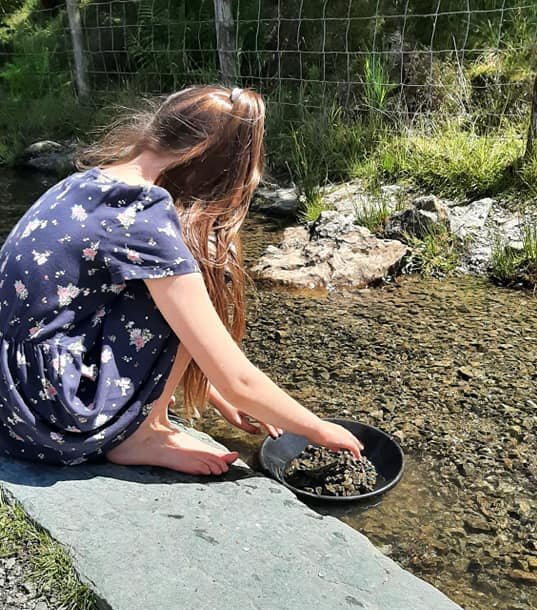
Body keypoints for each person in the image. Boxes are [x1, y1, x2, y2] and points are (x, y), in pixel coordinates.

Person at [0, 85, 363, 475]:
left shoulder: (87, 182)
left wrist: (211, 392)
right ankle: (145, 435)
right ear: (214, 164)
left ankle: (146, 423)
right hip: (49, 415)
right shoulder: (145, 214)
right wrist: (319, 429)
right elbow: (237, 379)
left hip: (11, 398)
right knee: (205, 264)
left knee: (174, 274)